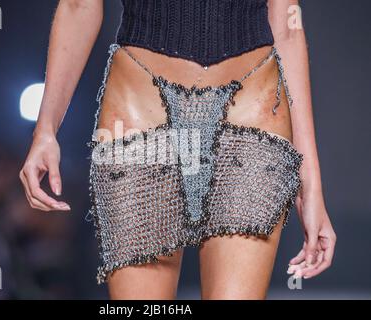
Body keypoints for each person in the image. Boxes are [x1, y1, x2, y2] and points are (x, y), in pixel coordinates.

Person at [19, 0, 336, 299]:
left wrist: (310, 183)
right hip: (141, 114)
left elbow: (287, 23)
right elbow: (79, 5)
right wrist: (46, 128)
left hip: (251, 112)